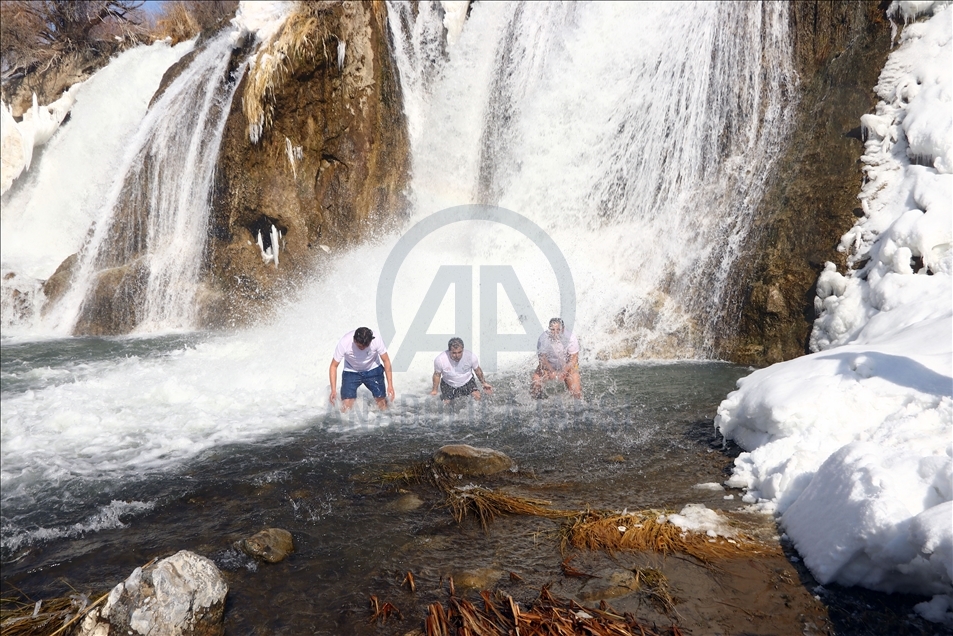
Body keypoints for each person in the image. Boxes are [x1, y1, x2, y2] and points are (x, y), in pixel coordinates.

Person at [329, 327, 395, 411]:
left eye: (366, 346)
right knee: (346, 406)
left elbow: (386, 361)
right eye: (360, 346)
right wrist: (333, 390)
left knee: (382, 403)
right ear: (354, 340)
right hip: (351, 371)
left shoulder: (376, 339)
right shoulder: (345, 342)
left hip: (373, 369)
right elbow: (333, 366)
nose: (363, 348)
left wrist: (390, 385)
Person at [531, 317, 582, 399]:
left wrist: (564, 371)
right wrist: (551, 371)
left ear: (563, 329)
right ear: (549, 329)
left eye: (558, 330)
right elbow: (542, 359)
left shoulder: (571, 338)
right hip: (548, 366)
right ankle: (536, 404)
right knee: (536, 382)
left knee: (576, 392)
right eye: (552, 329)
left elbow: (574, 359)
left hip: (567, 367)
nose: (555, 333)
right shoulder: (543, 338)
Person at [431, 337, 492, 402]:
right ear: (449, 351)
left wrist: (484, 383)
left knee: (477, 396)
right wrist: (434, 390)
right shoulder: (440, 360)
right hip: (448, 384)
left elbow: (477, 370)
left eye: (459, 352)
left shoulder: (470, 357)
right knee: (446, 403)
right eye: (454, 353)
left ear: (463, 349)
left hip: (467, 382)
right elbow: (437, 375)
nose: (457, 355)